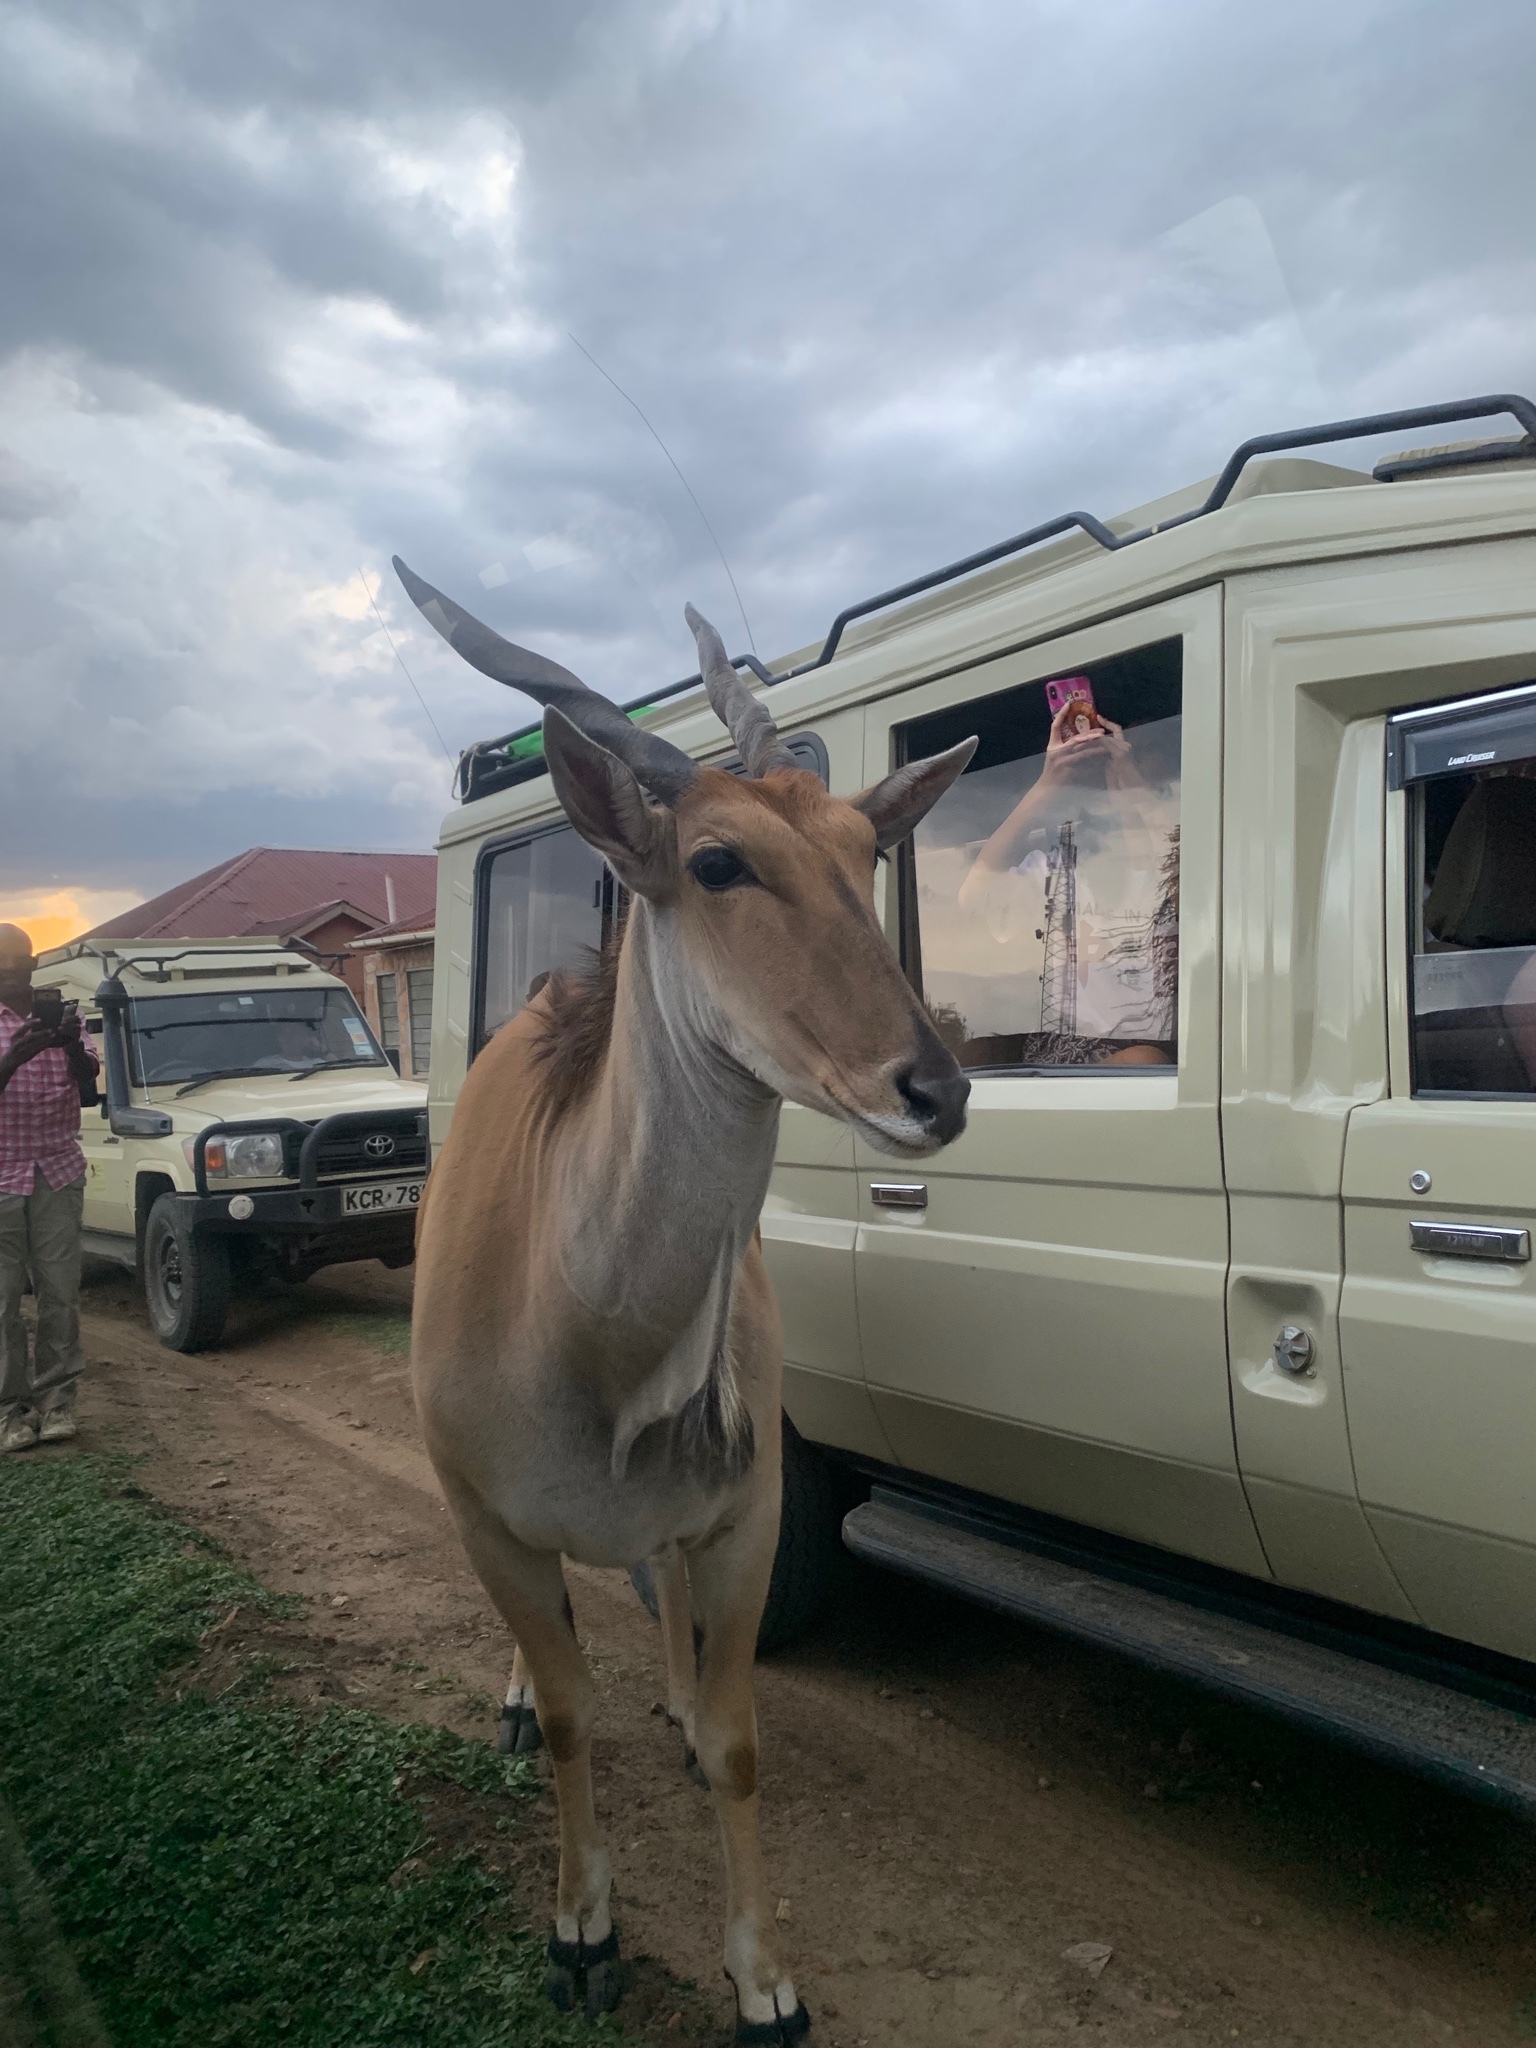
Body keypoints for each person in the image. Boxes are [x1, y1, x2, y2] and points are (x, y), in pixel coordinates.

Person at [0, 924, 100, 1452]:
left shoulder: (66, 1019)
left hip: (56, 1172)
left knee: (60, 1293)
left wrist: (69, 1048)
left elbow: (87, 1092)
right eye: (3, 962)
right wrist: (12, 1058)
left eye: (22, 960)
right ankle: (9, 1412)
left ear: (35, 963)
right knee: (2, 1302)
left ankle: (58, 1402)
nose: (14, 969)